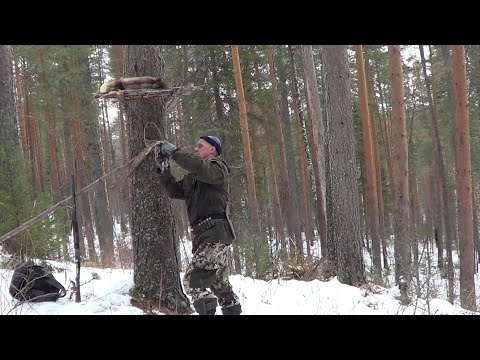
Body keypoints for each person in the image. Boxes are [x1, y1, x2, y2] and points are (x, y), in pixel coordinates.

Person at [155, 135, 242, 315]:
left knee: (193, 283)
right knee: (219, 284)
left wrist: (174, 152)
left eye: (199, 146)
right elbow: (173, 191)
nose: (195, 149)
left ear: (212, 150)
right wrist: (164, 167)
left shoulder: (218, 168)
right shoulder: (192, 178)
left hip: (215, 235)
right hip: (207, 236)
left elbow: (198, 166)